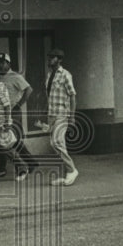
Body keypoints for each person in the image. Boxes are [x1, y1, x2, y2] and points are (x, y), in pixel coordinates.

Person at [41, 48, 78, 186]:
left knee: (56, 142)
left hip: (62, 113)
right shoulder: (50, 75)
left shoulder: (65, 75)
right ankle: (67, 173)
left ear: (60, 60)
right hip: (51, 114)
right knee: (57, 143)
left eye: (53, 57)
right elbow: (50, 96)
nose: (49, 59)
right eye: (49, 57)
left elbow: (73, 96)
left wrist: (72, 117)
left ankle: (71, 170)